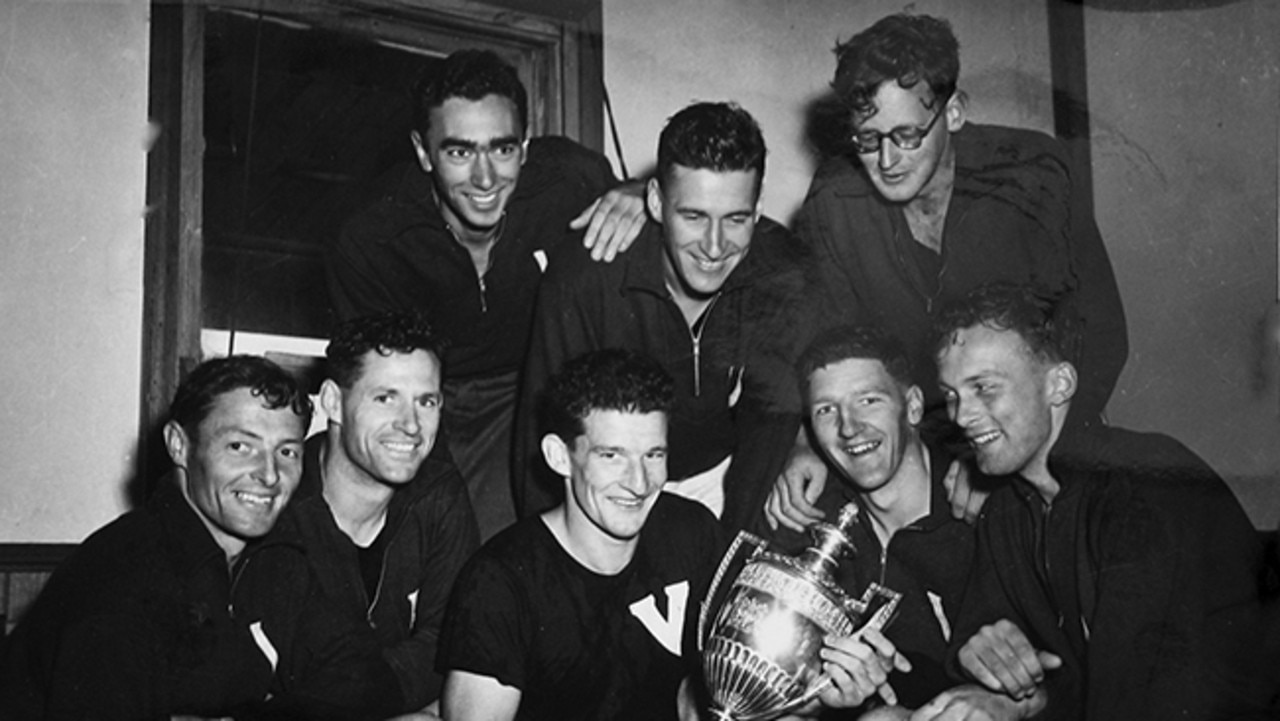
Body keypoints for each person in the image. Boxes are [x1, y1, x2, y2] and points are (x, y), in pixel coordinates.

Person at [771, 12, 1129, 532]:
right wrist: (806, 441)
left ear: (955, 112)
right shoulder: (834, 200)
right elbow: (831, 349)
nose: (888, 160)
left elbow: (1099, 335)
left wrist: (1008, 456)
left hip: (1043, 434)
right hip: (918, 444)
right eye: (868, 140)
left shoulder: (1032, 174)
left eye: (908, 135)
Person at [328, 49, 647, 540]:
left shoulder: (569, 178)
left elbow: (659, 205)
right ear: (422, 151)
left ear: (524, 145)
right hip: (433, 396)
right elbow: (372, 385)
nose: (485, 178)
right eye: (459, 152)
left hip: (535, 383)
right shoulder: (371, 237)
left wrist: (638, 194)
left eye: (501, 149)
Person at [926, 282, 1270, 721]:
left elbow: (1141, 695)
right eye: (952, 394)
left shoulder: (1144, 483)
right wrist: (982, 655)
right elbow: (1006, 646)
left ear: (1059, 384)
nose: (960, 416)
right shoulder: (1009, 507)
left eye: (984, 388)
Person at [0, 356, 400, 720]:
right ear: (179, 445)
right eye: (240, 446)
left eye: (287, 452)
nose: (269, 475)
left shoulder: (274, 553)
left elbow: (366, 679)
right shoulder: (121, 578)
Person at [515, 101, 816, 532]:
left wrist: (734, 554)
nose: (714, 247)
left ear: (758, 207)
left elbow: (770, 429)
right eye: (693, 216)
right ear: (655, 201)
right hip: (616, 484)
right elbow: (547, 440)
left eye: (735, 219)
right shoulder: (584, 279)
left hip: (727, 479)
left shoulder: (783, 272)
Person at [435, 349, 721, 720]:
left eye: (653, 455)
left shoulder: (692, 531)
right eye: (611, 456)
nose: (639, 483)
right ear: (559, 456)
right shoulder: (502, 581)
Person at [280, 312, 481, 714]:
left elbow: (455, 638)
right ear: (334, 402)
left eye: (426, 402)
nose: (410, 425)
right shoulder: (280, 495)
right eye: (385, 397)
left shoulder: (439, 494)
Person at [766, 325, 974, 713]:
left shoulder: (978, 511)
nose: (848, 427)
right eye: (827, 410)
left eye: (868, 401)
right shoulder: (809, 517)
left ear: (913, 406)